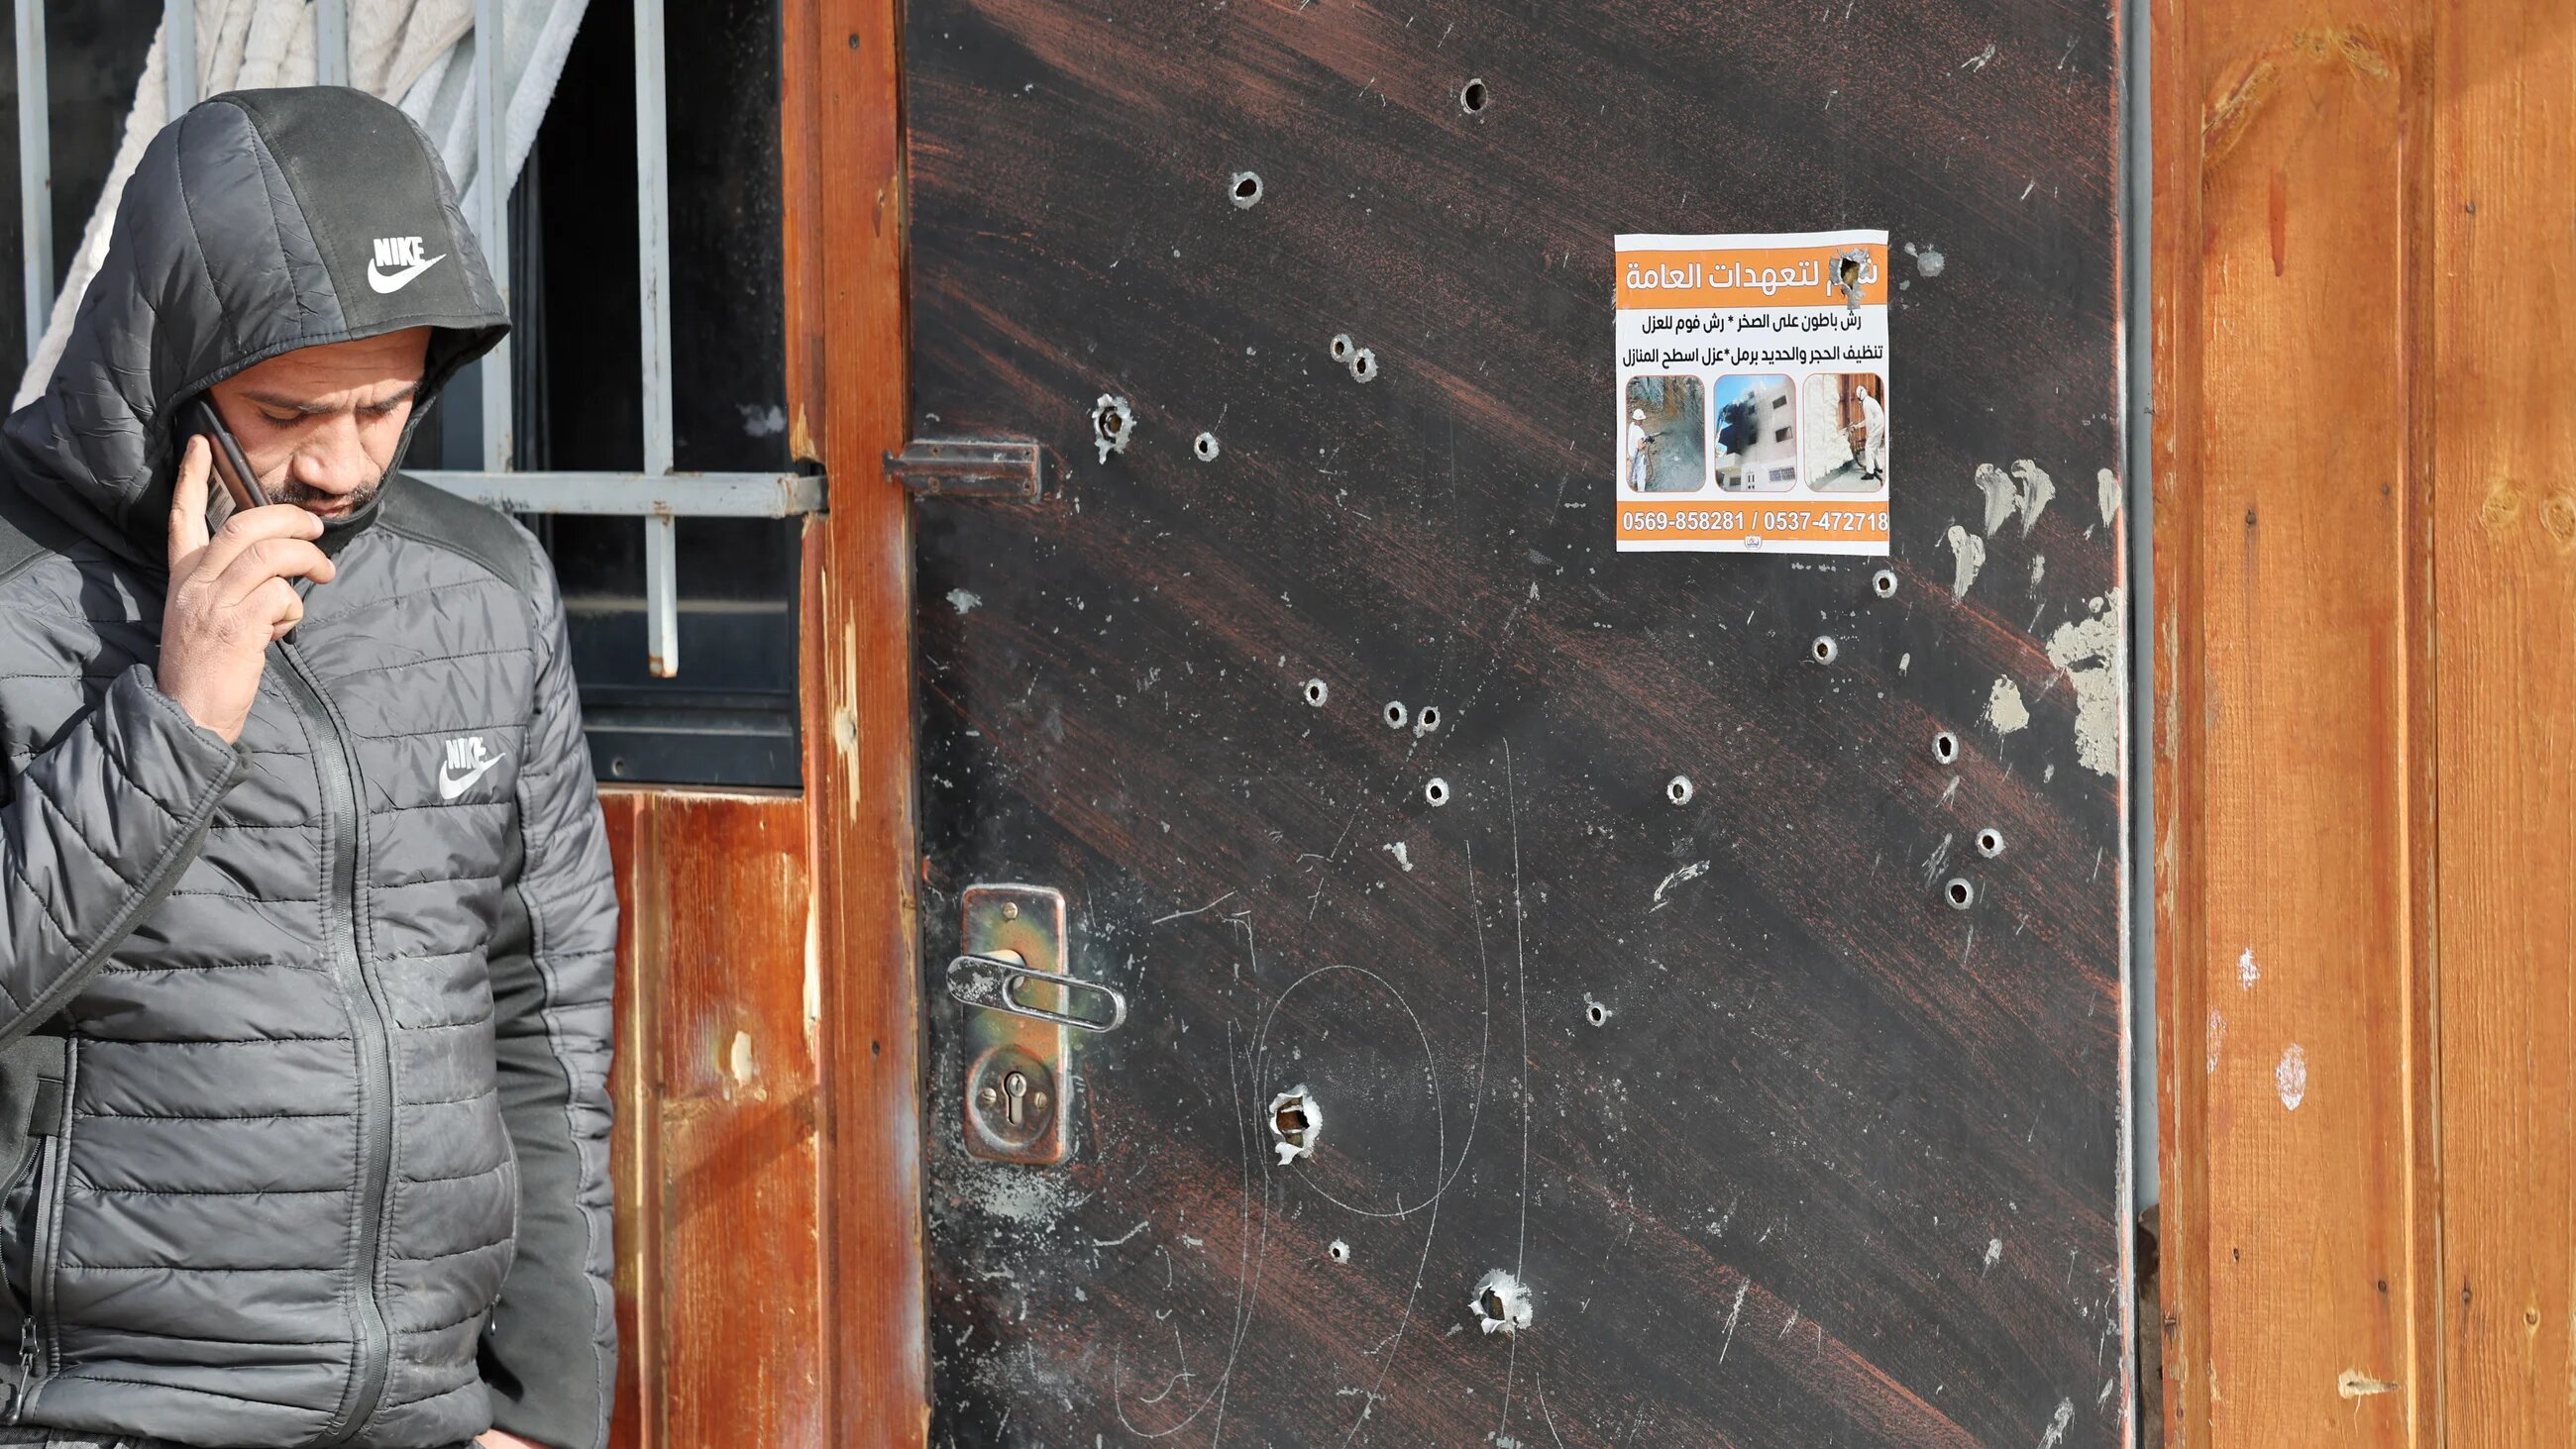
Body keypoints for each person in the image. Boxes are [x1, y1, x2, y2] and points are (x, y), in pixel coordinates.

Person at [0, 88, 613, 1449]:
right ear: (165, 356)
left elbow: (543, 1011)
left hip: (434, 1419)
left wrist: (546, 1406)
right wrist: (173, 715)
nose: (342, 463)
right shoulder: (13, 585)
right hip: (96, 1410)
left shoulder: (487, 587)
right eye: (287, 410)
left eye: (389, 406)